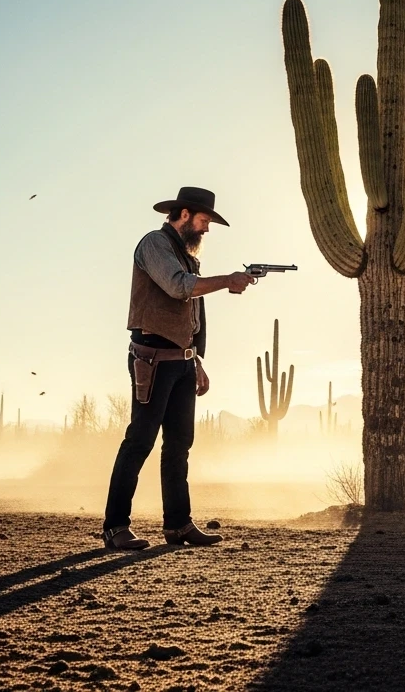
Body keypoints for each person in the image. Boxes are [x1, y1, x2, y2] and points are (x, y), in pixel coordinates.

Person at [102, 186, 254, 550]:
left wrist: (195, 359)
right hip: (152, 361)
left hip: (182, 362)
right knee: (140, 441)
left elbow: (192, 312)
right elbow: (178, 287)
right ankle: (115, 527)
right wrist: (227, 280)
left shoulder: (186, 256)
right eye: (204, 220)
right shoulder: (154, 244)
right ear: (184, 214)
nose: (207, 229)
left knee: (179, 446)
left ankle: (178, 525)